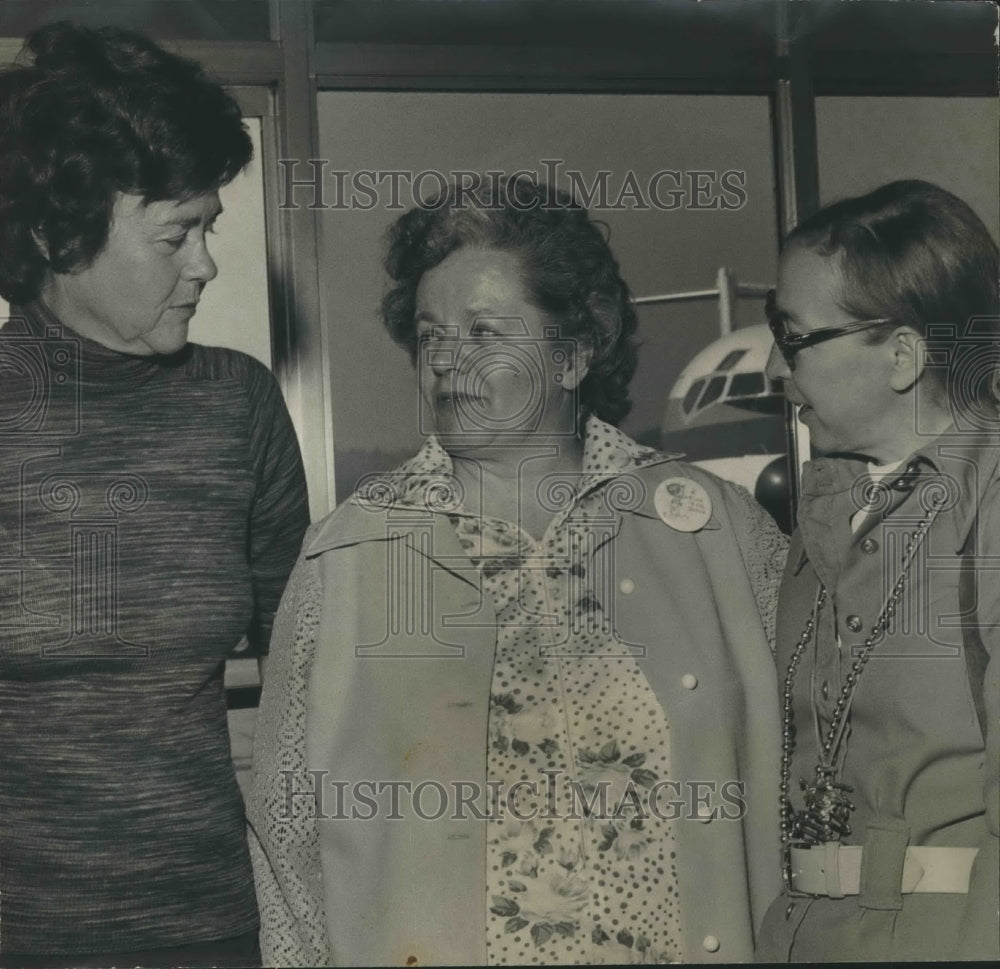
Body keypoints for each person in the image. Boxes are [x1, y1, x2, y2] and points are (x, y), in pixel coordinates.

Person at [249, 175, 787, 965]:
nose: (446, 361)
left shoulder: (716, 531)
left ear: (571, 355)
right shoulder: (349, 554)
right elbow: (286, 839)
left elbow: (803, 781)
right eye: (431, 334)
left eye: (483, 332)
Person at [0, 21, 309, 968]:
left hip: (210, 927)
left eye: (209, 227)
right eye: (177, 232)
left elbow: (307, 667)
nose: (207, 263)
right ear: (57, 231)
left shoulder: (239, 402)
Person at [756, 180, 1000, 962]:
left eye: (792, 335)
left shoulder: (987, 503)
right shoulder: (826, 513)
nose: (771, 364)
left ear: (901, 354)